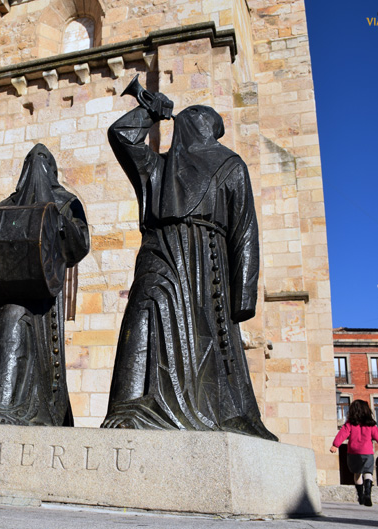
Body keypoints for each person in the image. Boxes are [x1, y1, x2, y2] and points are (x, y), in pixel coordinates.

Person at [102, 88, 276, 441]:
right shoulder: (158, 167)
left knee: (206, 340)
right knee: (145, 313)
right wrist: (150, 111)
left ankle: (216, 413)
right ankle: (131, 406)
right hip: (159, 253)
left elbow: (244, 231)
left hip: (207, 264)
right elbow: (121, 135)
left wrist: (243, 296)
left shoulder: (231, 165)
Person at [0, 143, 90, 426]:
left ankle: (9, 408)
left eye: (43, 161)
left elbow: (81, 244)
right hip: (3, 292)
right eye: (31, 161)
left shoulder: (66, 202)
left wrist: (60, 227)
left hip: (41, 299)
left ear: (52, 169)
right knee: (6, 322)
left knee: (16, 318)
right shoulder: (9, 204)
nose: (36, 166)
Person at [330, 399, 378, 506]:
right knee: (368, 473)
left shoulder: (350, 423)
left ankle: (360, 496)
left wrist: (335, 445)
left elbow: (342, 434)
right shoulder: (371, 424)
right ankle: (368, 494)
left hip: (353, 453)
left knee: (357, 473)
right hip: (367, 452)